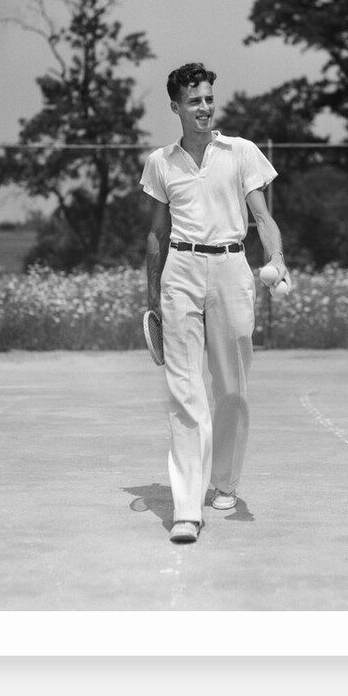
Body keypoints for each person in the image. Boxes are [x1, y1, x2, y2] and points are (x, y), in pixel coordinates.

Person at [140, 62, 288, 544]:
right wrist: (153, 298)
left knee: (232, 387)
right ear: (175, 107)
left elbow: (262, 217)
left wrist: (277, 258)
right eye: (194, 101)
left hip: (231, 266)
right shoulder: (160, 162)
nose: (204, 108)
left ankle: (225, 482)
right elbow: (156, 233)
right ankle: (187, 508)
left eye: (208, 99)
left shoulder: (241, 152)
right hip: (180, 269)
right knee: (185, 391)